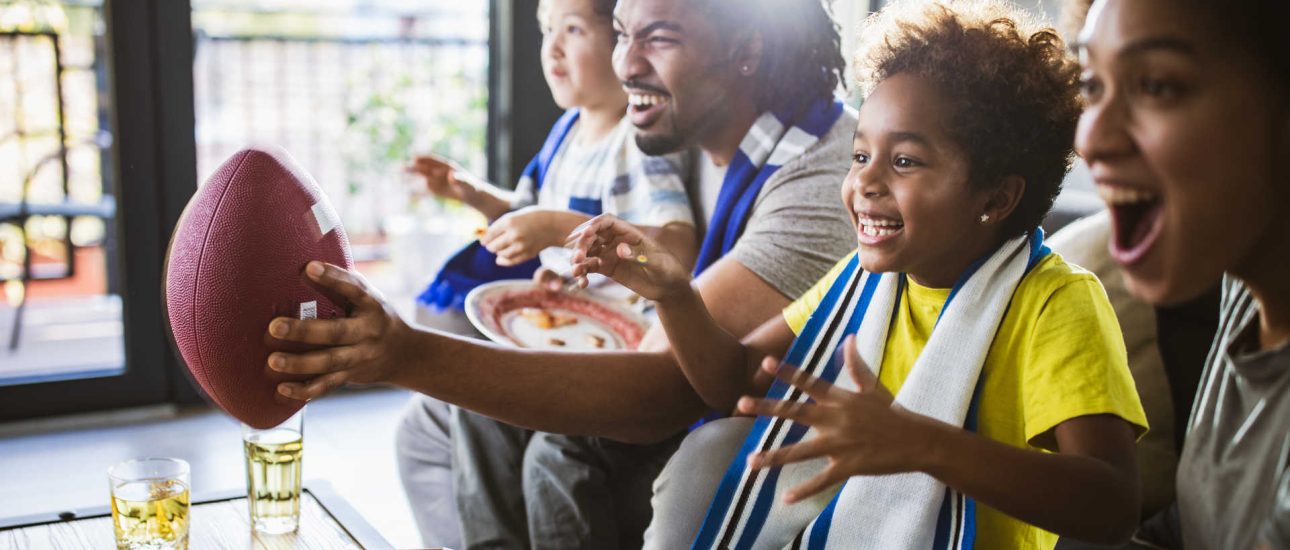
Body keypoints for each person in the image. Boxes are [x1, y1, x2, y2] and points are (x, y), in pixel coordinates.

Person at [278, 0, 859, 548]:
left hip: (740, 432)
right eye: (623, 34)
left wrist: (403, 353)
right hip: (660, 370)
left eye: (659, 38)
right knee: (432, 425)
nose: (625, 64)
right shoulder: (683, 124)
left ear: (746, 51)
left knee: (555, 459)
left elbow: (663, 391)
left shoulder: (819, 179)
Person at [565, 0, 1146, 547]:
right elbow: (739, 382)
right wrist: (675, 294)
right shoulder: (862, 281)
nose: (865, 182)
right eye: (861, 155)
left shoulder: (1056, 302)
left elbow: (1113, 504)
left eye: (904, 161)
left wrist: (922, 444)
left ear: (995, 198)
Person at [1075, 0, 1290, 548]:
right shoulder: (1244, 287)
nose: (1090, 139)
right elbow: (1197, 524)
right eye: (1092, 85)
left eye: (1156, 86)